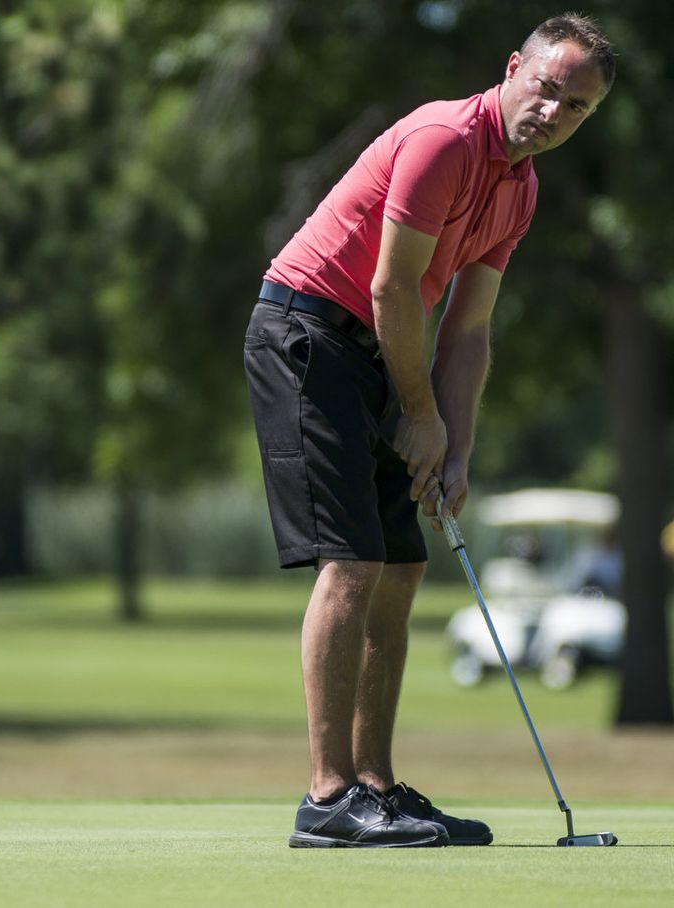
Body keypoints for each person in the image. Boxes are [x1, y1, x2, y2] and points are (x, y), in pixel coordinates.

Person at [243, 14, 616, 848]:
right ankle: (328, 797)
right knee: (354, 560)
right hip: (308, 333)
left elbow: (468, 329)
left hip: (381, 349)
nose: (553, 112)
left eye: (577, 107)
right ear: (514, 67)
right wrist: (418, 415)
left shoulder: (520, 187)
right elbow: (391, 288)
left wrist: (455, 445)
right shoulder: (446, 140)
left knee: (404, 567)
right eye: (547, 89)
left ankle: (376, 787)